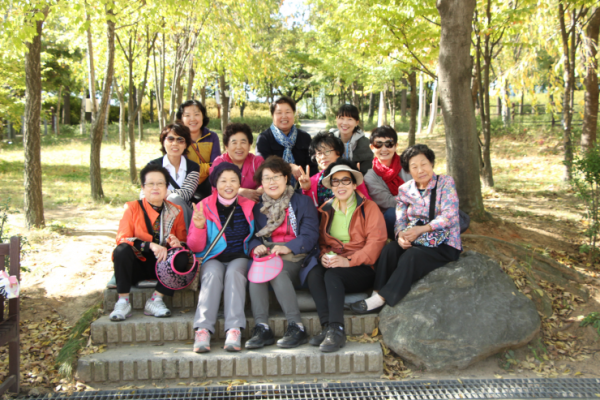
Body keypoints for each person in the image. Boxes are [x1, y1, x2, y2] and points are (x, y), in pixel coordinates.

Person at [350, 144, 462, 315]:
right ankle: (376, 292)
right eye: (414, 166)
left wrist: (422, 229)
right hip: (418, 240)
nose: (420, 170)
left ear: (431, 163)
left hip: (444, 243)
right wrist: (401, 235)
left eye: (424, 164)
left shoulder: (445, 183)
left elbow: (450, 215)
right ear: (408, 170)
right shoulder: (405, 190)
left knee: (412, 256)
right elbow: (400, 219)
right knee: (390, 250)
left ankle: (384, 298)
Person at [306, 159, 387, 352]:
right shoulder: (326, 209)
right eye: (336, 181)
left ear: (354, 184)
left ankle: (337, 329)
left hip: (363, 267)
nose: (340, 185)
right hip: (336, 262)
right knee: (314, 273)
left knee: (333, 275)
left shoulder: (369, 208)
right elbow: (323, 243)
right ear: (331, 186)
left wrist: (348, 261)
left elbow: (376, 244)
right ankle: (327, 327)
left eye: (345, 180)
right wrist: (324, 256)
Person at [245, 156, 319, 350]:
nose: (272, 182)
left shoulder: (302, 202)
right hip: (268, 254)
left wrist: (289, 247)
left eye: (276, 176)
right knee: (256, 274)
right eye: (267, 178)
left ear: (286, 178)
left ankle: (296, 326)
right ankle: (262, 328)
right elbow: (250, 235)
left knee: (276, 272)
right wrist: (255, 246)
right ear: (261, 183)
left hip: (296, 255)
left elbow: (310, 235)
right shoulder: (257, 207)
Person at [187, 162, 255, 353]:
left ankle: (234, 329)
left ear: (239, 183)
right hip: (213, 257)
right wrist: (199, 227)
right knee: (212, 275)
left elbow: (256, 236)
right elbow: (194, 247)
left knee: (234, 274)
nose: (228, 185)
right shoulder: (203, 206)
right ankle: (202, 329)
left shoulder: (249, 206)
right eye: (223, 180)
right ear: (215, 183)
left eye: (233, 180)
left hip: (239, 256)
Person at [110, 164, 187, 321]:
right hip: (136, 265)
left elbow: (183, 242)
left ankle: (156, 299)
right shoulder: (132, 207)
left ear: (166, 187)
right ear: (143, 187)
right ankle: (123, 302)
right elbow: (122, 238)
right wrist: (149, 245)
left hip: (161, 266)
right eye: (150, 183)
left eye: (160, 183)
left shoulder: (176, 210)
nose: (155, 187)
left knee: (181, 255)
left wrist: (176, 243)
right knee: (121, 250)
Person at [145, 123, 199, 229]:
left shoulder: (193, 167)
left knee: (174, 198)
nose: (175, 143)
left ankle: (184, 238)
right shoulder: (153, 166)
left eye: (180, 140)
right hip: (159, 211)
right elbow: (147, 193)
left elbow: (186, 193)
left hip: (186, 215)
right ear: (163, 142)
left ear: (186, 144)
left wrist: (163, 193)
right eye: (170, 139)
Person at [255, 96, 318, 186]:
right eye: (279, 113)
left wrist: (307, 184)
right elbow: (262, 165)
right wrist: (288, 167)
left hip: (303, 188)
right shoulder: (264, 138)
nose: (284, 116)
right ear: (272, 116)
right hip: (273, 188)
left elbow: (313, 167)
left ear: (294, 114)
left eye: (288, 112)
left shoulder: (305, 137)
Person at [363, 126, 412, 239]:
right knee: (391, 213)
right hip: (393, 218)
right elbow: (389, 202)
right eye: (379, 144)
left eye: (389, 144)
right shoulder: (370, 177)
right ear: (372, 147)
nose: (384, 149)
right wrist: (415, 197)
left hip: (420, 210)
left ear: (396, 146)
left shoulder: (409, 165)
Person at [299, 132, 371, 207]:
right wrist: (306, 190)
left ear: (338, 152)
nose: (323, 157)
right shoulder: (313, 181)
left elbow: (367, 204)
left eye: (327, 151)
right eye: (319, 153)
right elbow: (307, 209)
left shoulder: (350, 175)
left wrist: (358, 183)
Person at [177, 100, 221, 201]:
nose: (192, 119)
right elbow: (184, 168)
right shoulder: (179, 139)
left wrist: (206, 168)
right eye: (187, 115)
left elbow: (216, 166)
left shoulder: (212, 137)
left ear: (203, 116)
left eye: (196, 114)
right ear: (181, 119)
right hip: (186, 183)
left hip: (210, 183)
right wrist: (206, 167)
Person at [210, 122, 264, 202]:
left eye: (243, 142)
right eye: (234, 143)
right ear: (226, 146)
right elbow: (216, 189)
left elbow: (268, 181)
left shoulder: (257, 162)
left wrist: (258, 191)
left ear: (249, 145)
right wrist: (240, 192)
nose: (239, 147)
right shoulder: (219, 163)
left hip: (254, 204)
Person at [329, 104, 373, 176]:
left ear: (357, 122)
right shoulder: (329, 141)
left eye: (350, 119)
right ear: (336, 119)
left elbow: (366, 172)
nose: (345, 123)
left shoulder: (365, 144)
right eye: (342, 118)